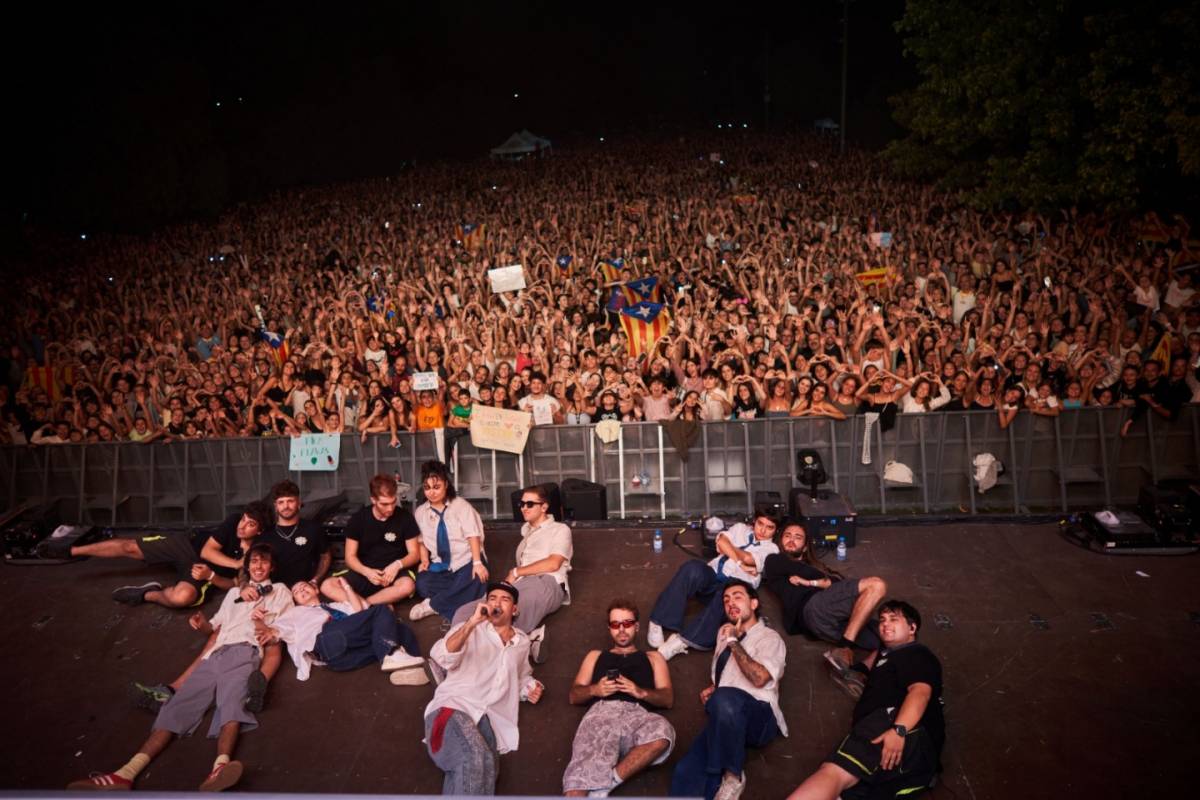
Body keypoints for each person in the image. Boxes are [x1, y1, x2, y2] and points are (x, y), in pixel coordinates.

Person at [67, 543, 293, 792]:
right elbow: (215, 628)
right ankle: (125, 774)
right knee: (176, 706)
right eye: (254, 561)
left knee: (232, 702)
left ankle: (220, 766)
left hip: (245, 651)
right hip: (215, 654)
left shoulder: (281, 591)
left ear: (272, 566)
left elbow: (281, 631)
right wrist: (201, 623)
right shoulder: (233, 594)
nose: (258, 566)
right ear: (247, 566)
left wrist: (261, 623)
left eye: (264, 562)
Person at [786, 600, 945, 800]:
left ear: (912, 628)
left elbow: (920, 692)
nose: (885, 624)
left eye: (894, 620)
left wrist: (899, 730)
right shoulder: (886, 655)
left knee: (834, 773)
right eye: (882, 620)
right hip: (916, 760)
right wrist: (849, 667)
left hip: (894, 725)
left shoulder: (916, 654)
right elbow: (871, 662)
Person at [668, 580, 787, 800]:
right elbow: (728, 672)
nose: (730, 603)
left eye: (737, 596)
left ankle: (733, 776)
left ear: (754, 603)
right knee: (685, 772)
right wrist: (716, 687)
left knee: (725, 700)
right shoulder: (724, 634)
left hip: (759, 719)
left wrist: (733, 640)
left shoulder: (771, 638)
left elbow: (759, 678)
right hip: (726, 714)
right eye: (726, 600)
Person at [423, 582, 544, 795]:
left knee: (488, 768)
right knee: (474, 757)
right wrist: (471, 623)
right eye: (492, 598)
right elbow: (441, 657)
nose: (497, 603)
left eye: (504, 599)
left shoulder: (522, 642)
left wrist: (530, 688)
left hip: (488, 719)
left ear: (514, 609)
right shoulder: (470, 629)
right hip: (454, 706)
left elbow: (520, 675)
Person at [39, 501, 272, 609]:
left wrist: (212, 576)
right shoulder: (233, 522)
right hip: (188, 546)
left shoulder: (258, 548)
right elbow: (206, 550)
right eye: (244, 519)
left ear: (259, 530)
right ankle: (71, 550)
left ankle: (148, 593)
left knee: (182, 598)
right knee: (130, 547)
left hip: (202, 572)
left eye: (250, 524)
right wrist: (235, 561)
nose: (242, 526)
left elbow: (238, 580)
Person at [762, 521, 888, 698]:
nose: (791, 540)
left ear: (805, 547)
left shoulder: (813, 569)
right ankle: (844, 649)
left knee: (889, 638)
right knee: (877, 585)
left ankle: (857, 671)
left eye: (798, 538)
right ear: (780, 541)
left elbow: (835, 582)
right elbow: (831, 580)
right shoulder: (774, 560)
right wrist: (823, 582)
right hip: (812, 606)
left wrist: (814, 582)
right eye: (787, 536)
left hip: (827, 627)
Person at [563, 598, 675, 797]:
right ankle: (593, 786)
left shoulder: (653, 657)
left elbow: (667, 698)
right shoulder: (595, 655)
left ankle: (606, 786)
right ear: (609, 628)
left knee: (663, 733)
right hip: (601, 714)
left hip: (638, 716)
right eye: (615, 625)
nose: (621, 629)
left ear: (637, 626)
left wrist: (639, 692)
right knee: (576, 785)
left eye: (627, 623)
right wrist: (595, 690)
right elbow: (574, 695)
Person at [451, 483, 572, 663]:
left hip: (546, 582)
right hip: (520, 585)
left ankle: (462, 664)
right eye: (521, 504)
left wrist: (516, 571)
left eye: (529, 504)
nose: (524, 508)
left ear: (544, 506)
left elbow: (554, 563)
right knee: (464, 611)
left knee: (504, 616)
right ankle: (528, 639)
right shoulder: (526, 532)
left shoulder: (560, 529)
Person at [648, 511, 779, 660]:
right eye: (760, 524)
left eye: (770, 527)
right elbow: (722, 541)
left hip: (732, 588)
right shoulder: (740, 528)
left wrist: (730, 549)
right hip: (713, 575)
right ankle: (658, 620)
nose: (762, 530)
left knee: (728, 592)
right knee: (692, 567)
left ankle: (680, 642)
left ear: (776, 530)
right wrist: (739, 562)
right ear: (754, 522)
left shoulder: (772, 550)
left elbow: (747, 557)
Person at [256, 576, 428, 686]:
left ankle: (412, 668)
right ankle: (392, 654)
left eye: (304, 586)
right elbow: (275, 631)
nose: (301, 590)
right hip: (325, 641)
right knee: (382, 610)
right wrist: (262, 625)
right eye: (297, 592)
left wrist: (346, 587)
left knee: (399, 629)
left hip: (342, 660)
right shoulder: (296, 613)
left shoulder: (335, 606)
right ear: (296, 601)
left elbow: (360, 613)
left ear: (315, 589)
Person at [321, 473, 420, 607]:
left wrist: (397, 565)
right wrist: (366, 572)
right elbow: (350, 558)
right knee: (327, 585)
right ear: (373, 499)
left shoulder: (405, 518)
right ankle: (376, 603)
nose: (390, 508)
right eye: (384, 504)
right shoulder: (358, 519)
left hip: (394, 572)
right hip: (365, 571)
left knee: (407, 586)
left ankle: (365, 605)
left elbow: (414, 554)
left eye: (393, 502)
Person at [409, 460, 488, 621]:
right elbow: (422, 540)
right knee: (422, 584)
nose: (432, 492)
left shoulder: (461, 506)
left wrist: (477, 563)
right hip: (441, 566)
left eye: (436, 487)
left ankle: (432, 605)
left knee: (479, 578)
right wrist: (424, 560)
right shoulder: (420, 512)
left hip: (466, 561)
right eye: (427, 488)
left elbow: (473, 535)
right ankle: (460, 596)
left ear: (446, 484)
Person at [261, 480, 331, 589]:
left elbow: (325, 556)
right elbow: (251, 563)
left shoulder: (313, 529)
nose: (286, 506)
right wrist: (245, 585)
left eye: (290, 501)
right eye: (281, 502)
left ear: (298, 503)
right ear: (276, 506)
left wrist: (315, 580)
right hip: (275, 591)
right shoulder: (266, 534)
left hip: (305, 591)